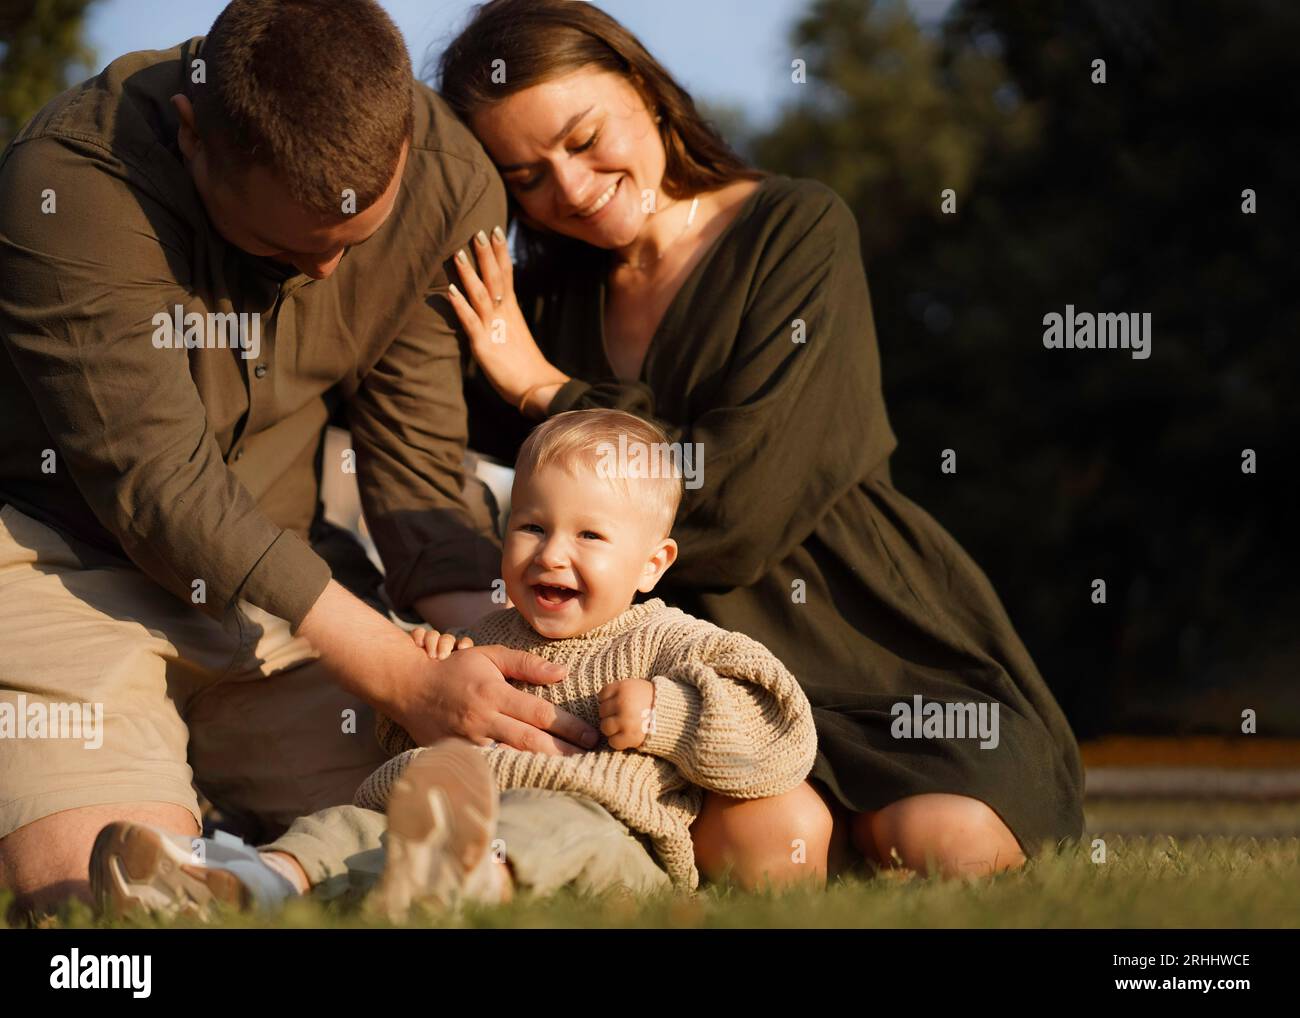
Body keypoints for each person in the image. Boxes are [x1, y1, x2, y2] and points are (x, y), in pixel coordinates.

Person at [439, 0, 1086, 880]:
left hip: (866, 634)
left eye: (585, 138)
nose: (573, 188)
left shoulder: (799, 229)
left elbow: (743, 503)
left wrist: (544, 388)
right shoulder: (538, 304)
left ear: (643, 87)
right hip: (683, 675)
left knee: (945, 840)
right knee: (767, 850)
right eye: (528, 177)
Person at [0, 0, 594, 915]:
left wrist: (493, 651)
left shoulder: (448, 183)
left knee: (461, 816)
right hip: (66, 568)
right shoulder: (68, 183)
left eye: (354, 242)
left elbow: (417, 466)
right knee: (109, 897)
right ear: (196, 135)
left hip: (295, 598)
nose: (323, 274)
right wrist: (400, 673)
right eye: (284, 248)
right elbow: (161, 487)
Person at [90, 410, 819, 918]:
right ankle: (244, 882)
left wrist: (670, 713)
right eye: (531, 526)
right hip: (433, 810)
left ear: (653, 564)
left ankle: (464, 886)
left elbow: (778, 728)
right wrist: (419, 684)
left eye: (589, 535)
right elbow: (409, 733)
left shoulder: (670, 641)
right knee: (342, 829)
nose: (551, 552)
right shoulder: (486, 634)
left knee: (548, 829)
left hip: (601, 830)